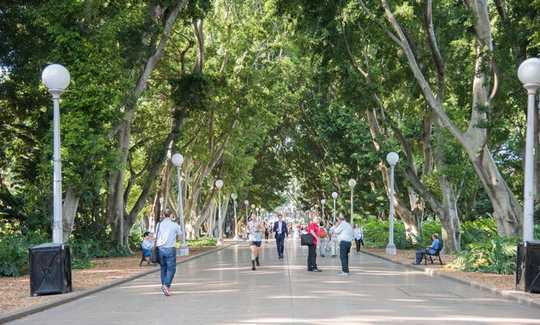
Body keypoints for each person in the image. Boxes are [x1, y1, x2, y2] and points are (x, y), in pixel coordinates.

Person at [155, 209, 183, 296]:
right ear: (171, 215)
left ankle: (164, 286)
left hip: (160, 249)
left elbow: (157, 235)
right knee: (171, 269)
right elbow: (180, 236)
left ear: (163, 215)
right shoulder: (175, 225)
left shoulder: (159, 225)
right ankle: (166, 285)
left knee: (163, 268)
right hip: (170, 248)